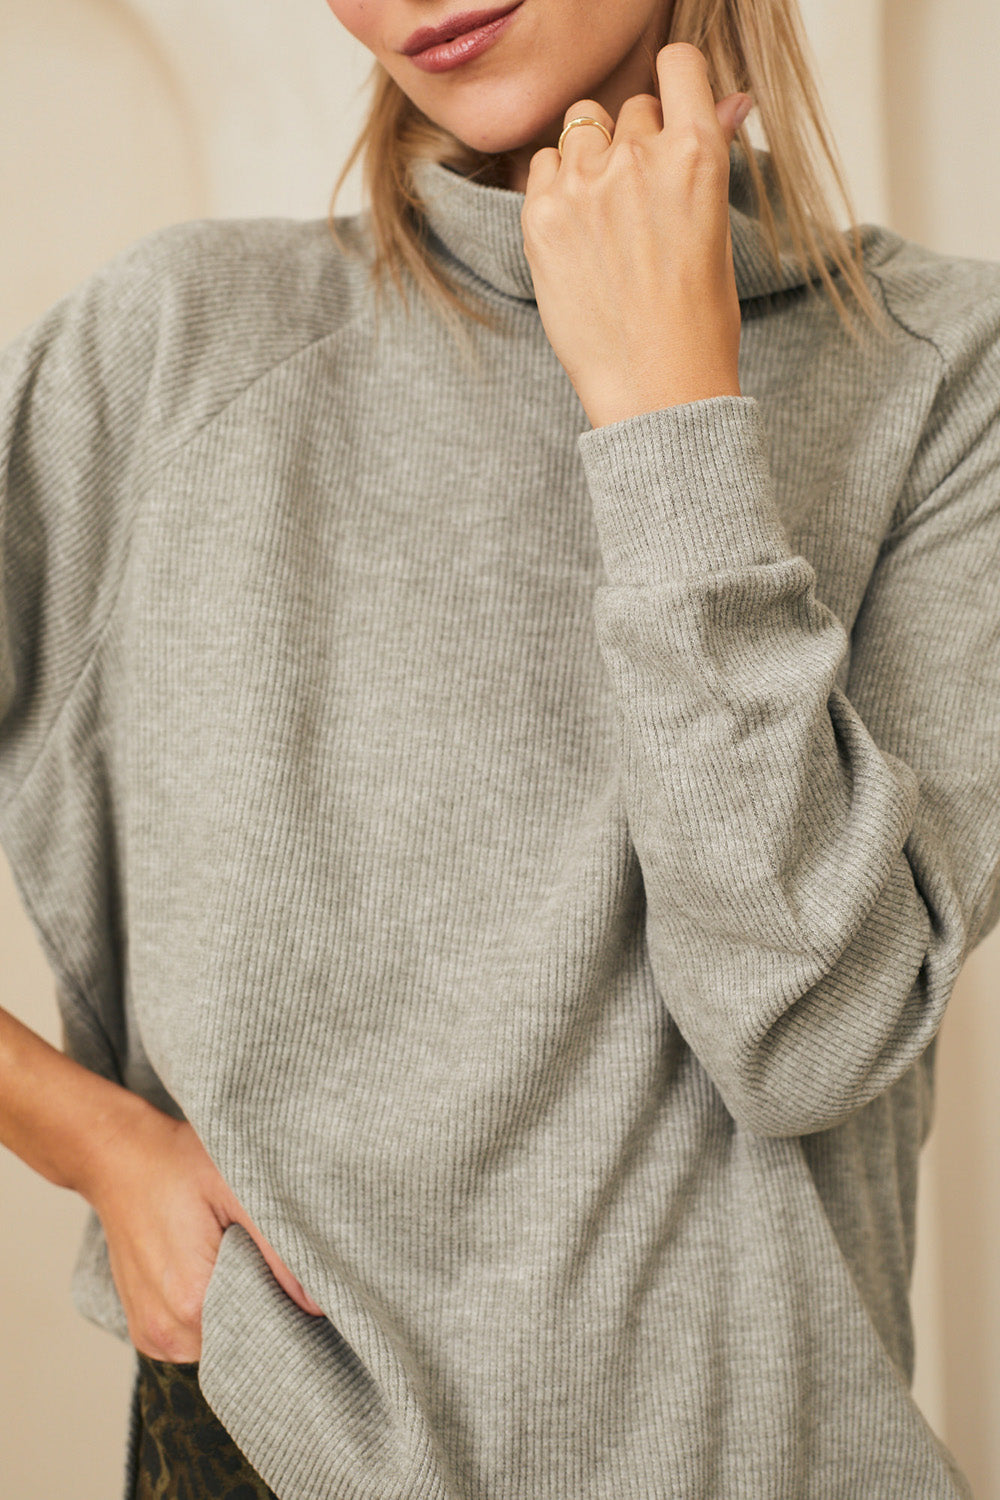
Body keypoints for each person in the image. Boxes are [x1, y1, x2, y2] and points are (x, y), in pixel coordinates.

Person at [1, 0, 998, 1495]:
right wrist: (95, 1144)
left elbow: (803, 1036)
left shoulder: (953, 379)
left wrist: (668, 415)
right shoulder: (172, 345)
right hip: (272, 1460)